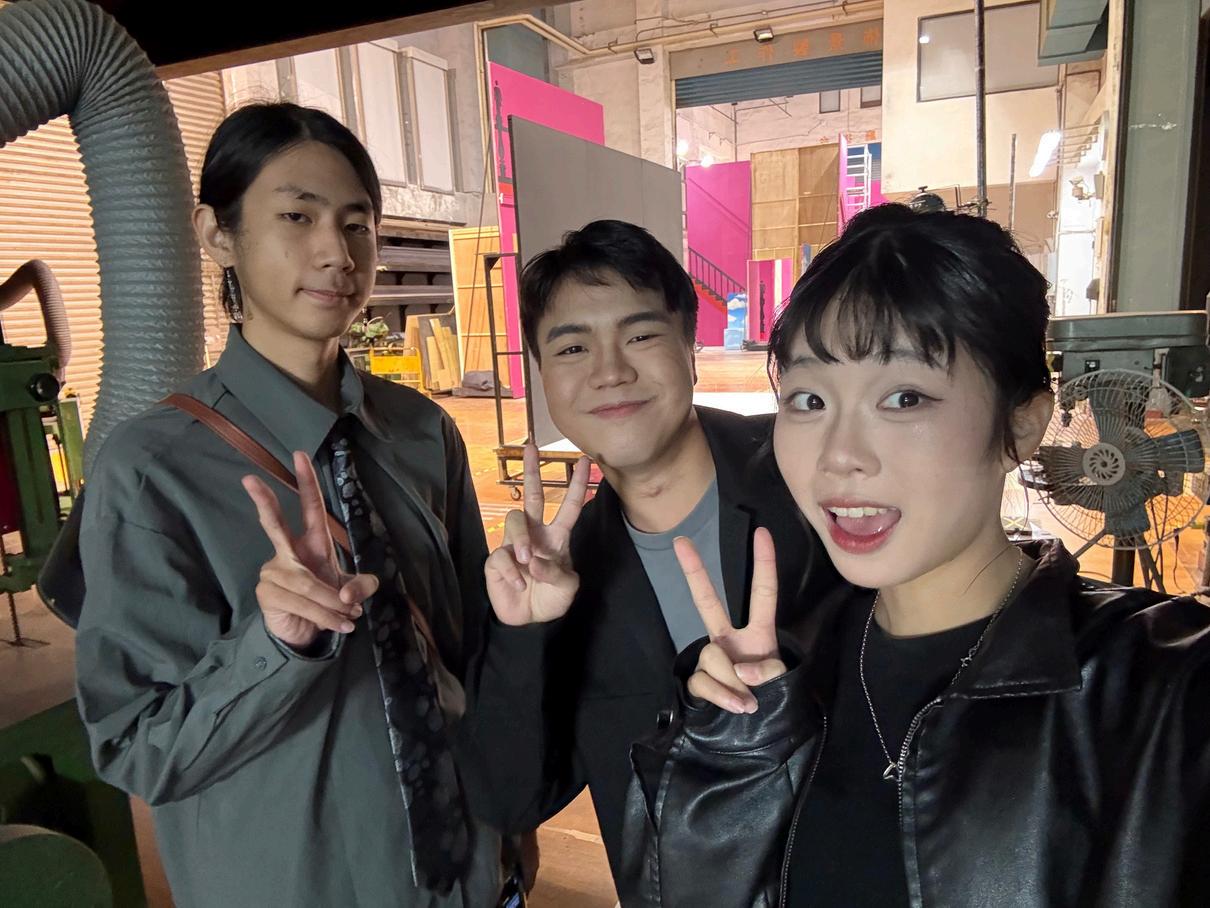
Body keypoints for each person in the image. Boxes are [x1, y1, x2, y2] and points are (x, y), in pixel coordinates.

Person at [621, 203, 1210, 907]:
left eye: (903, 398)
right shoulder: (790, 674)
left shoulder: (1160, 692)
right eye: (808, 400)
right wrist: (734, 754)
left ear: (1022, 424)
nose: (839, 457)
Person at [75, 103, 502, 907]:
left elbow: (469, 652)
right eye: (297, 217)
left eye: (356, 224)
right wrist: (272, 644)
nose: (337, 253)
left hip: (466, 871)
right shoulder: (151, 470)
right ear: (217, 234)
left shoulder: (422, 431)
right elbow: (138, 747)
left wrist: (508, 819)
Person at [462, 220, 844, 892]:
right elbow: (510, 799)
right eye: (572, 347)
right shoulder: (566, 578)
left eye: (640, 336)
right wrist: (524, 636)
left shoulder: (808, 474)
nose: (610, 372)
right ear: (542, 377)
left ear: (691, 350)